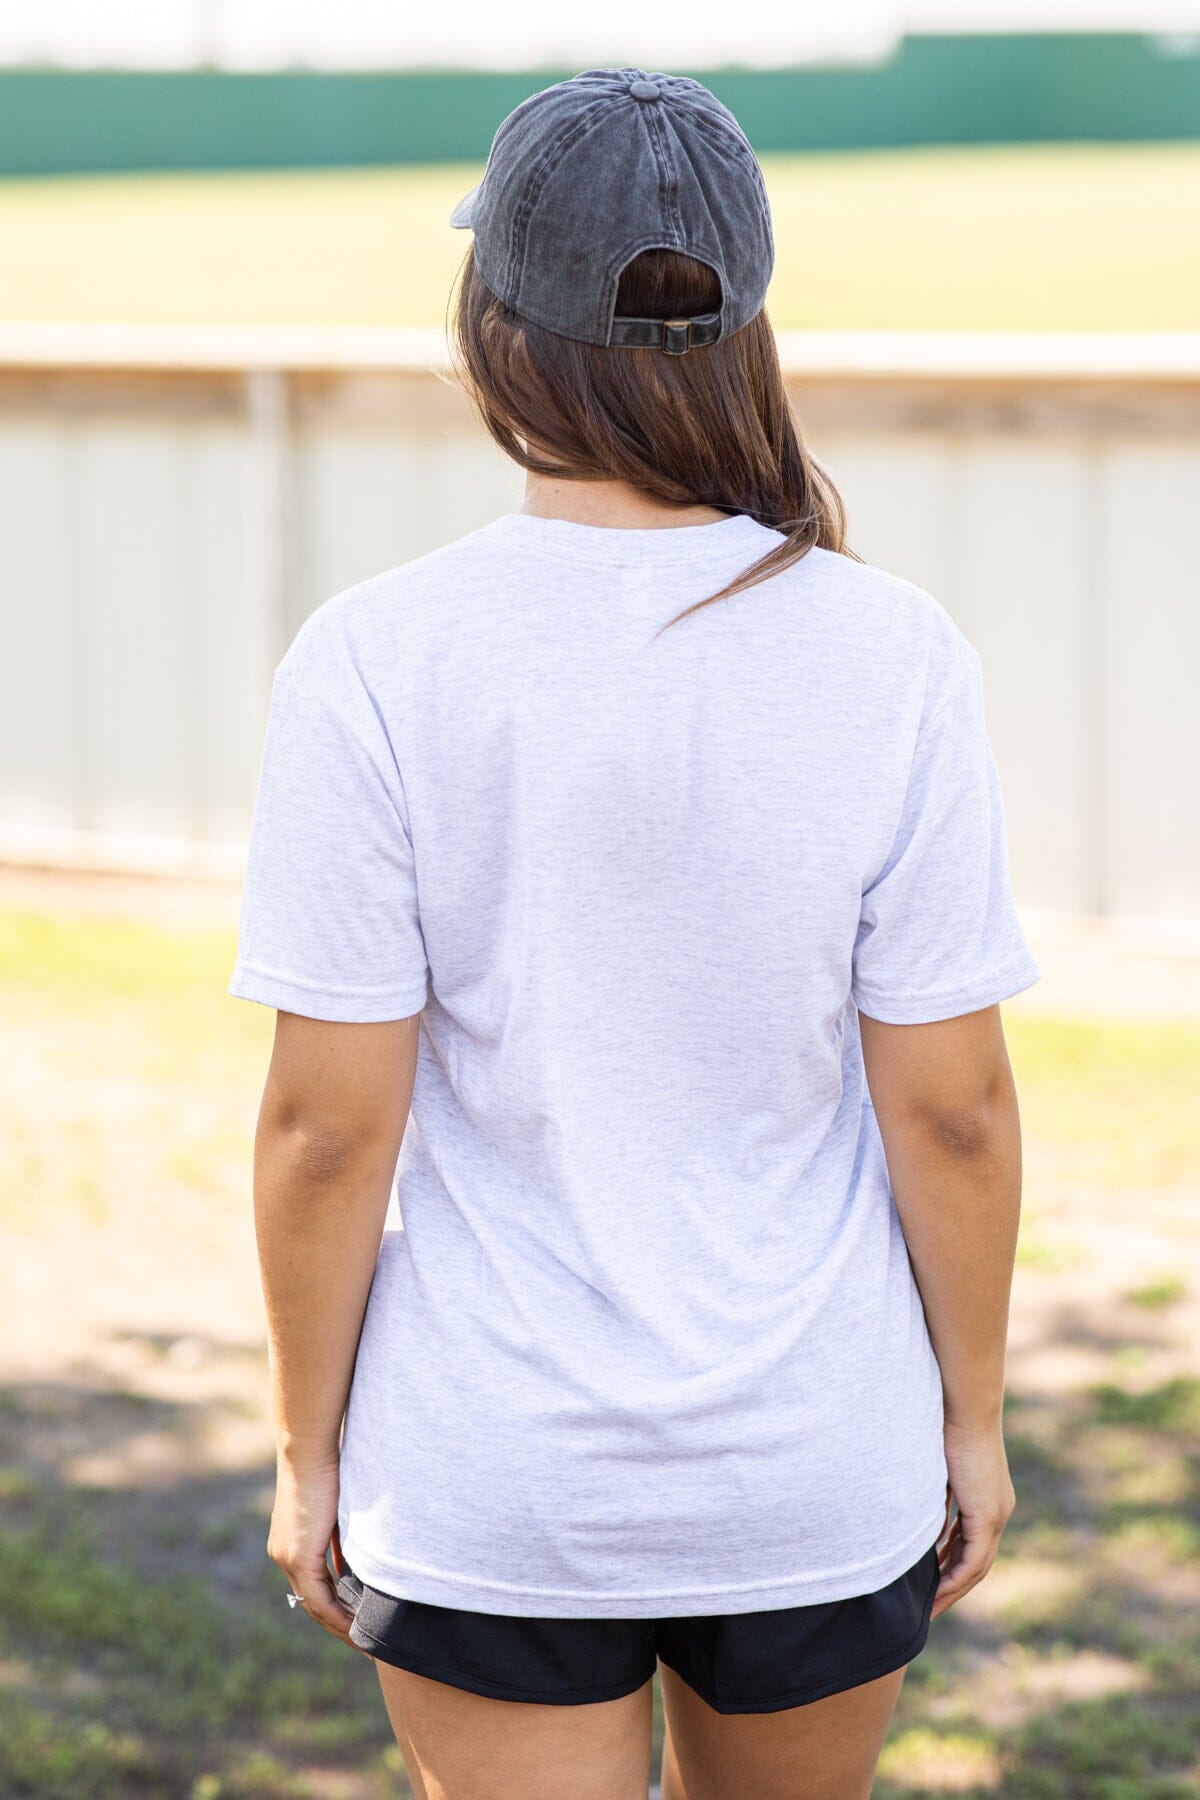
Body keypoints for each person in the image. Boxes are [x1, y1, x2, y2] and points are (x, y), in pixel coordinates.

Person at [228, 66, 1040, 1800]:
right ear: (744, 318)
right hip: (815, 1470)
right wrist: (969, 1421)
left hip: (490, 1475)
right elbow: (955, 1109)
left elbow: (322, 1128)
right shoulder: (896, 656)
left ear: (494, 324)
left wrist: (310, 1447)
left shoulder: (375, 659)